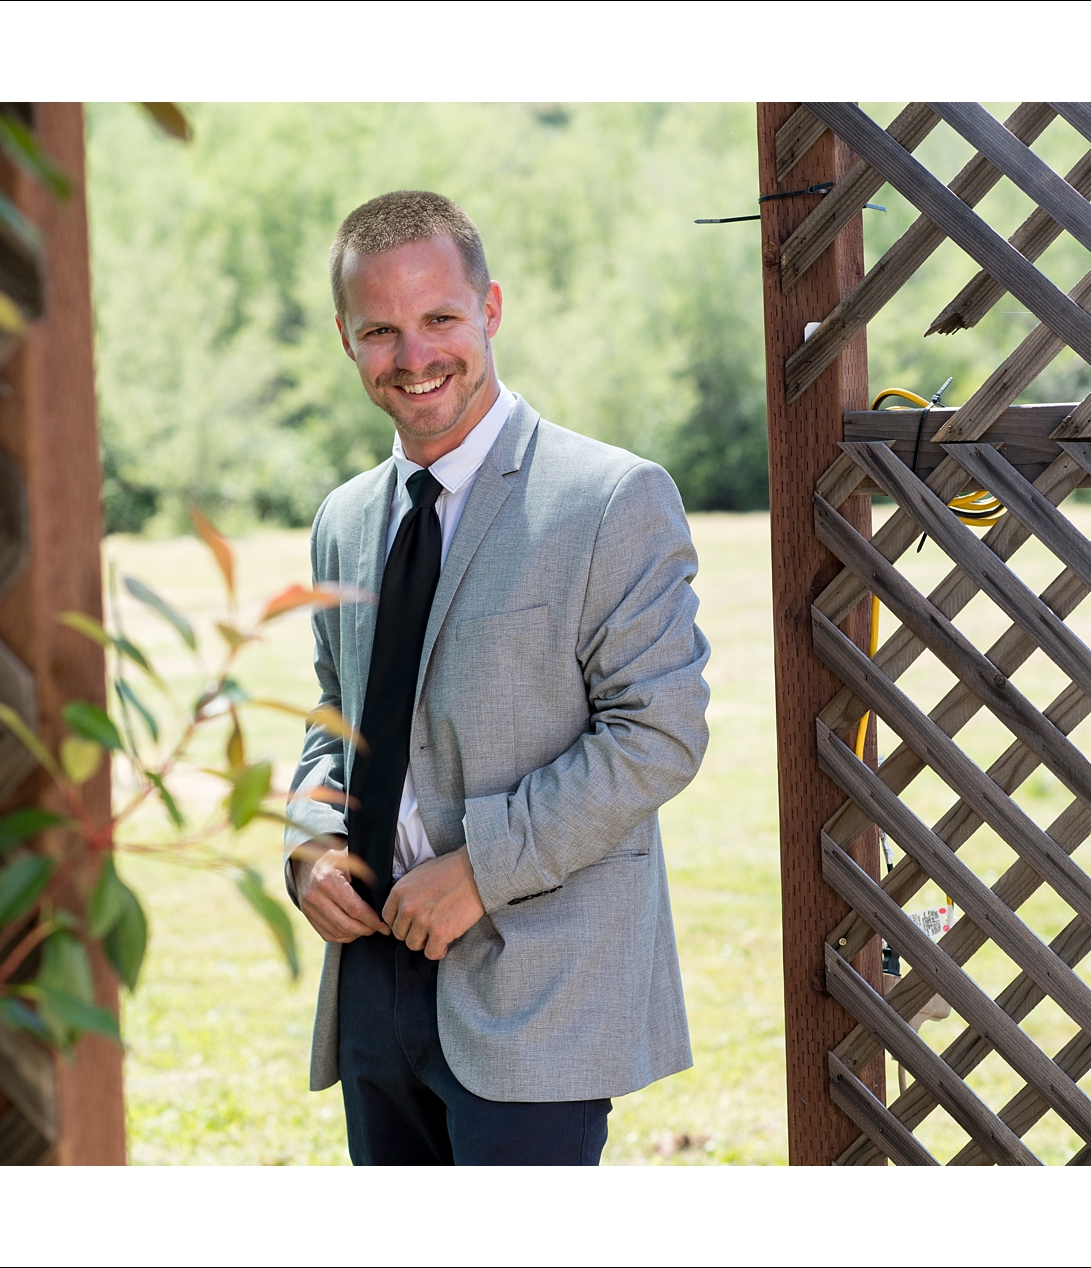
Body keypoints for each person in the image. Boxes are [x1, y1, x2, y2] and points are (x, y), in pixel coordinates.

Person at [283, 190, 711, 1166]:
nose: (415, 354)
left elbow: (661, 730)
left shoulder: (610, 498)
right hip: (371, 987)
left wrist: (479, 868)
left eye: (440, 318)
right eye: (381, 330)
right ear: (346, 339)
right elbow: (331, 714)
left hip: (538, 986)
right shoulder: (343, 519)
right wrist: (309, 842)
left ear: (492, 308)